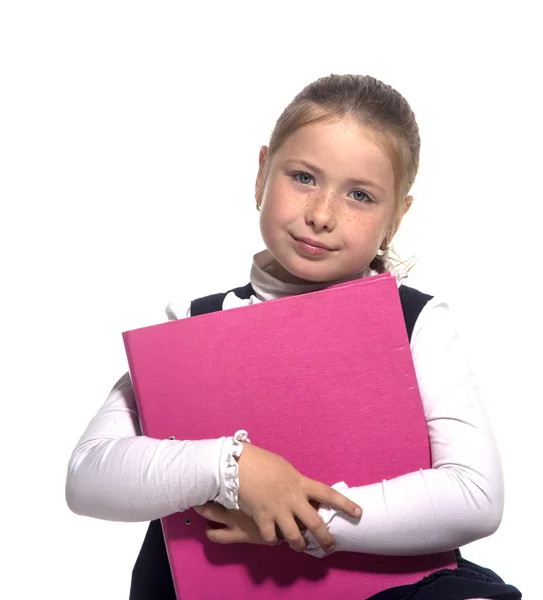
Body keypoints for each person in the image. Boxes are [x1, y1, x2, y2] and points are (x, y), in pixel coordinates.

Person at [66, 74, 521, 599]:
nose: (321, 215)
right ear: (262, 173)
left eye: (359, 195)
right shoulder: (194, 324)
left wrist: (299, 519)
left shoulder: (416, 321)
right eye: (303, 177)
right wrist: (232, 468)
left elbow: (475, 493)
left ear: (397, 214)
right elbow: (88, 477)